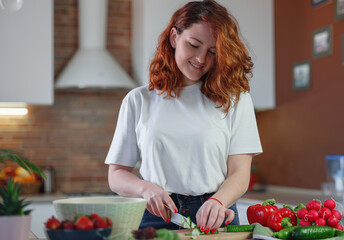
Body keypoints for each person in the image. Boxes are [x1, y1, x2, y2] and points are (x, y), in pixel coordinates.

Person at [105, 0, 262, 234]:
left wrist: (219, 201)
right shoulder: (138, 100)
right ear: (174, 37)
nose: (201, 59)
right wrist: (146, 189)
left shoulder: (236, 99)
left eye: (212, 52)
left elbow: (240, 172)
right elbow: (116, 175)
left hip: (216, 213)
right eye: (194, 44)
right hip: (156, 213)